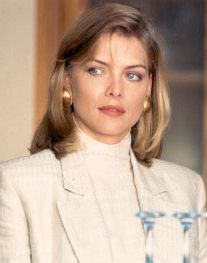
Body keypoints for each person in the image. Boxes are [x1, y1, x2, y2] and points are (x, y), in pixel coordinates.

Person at [0, 3, 206, 263]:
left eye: (132, 75)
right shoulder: (18, 185)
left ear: (149, 88)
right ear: (67, 80)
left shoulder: (187, 189)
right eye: (97, 70)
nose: (115, 89)